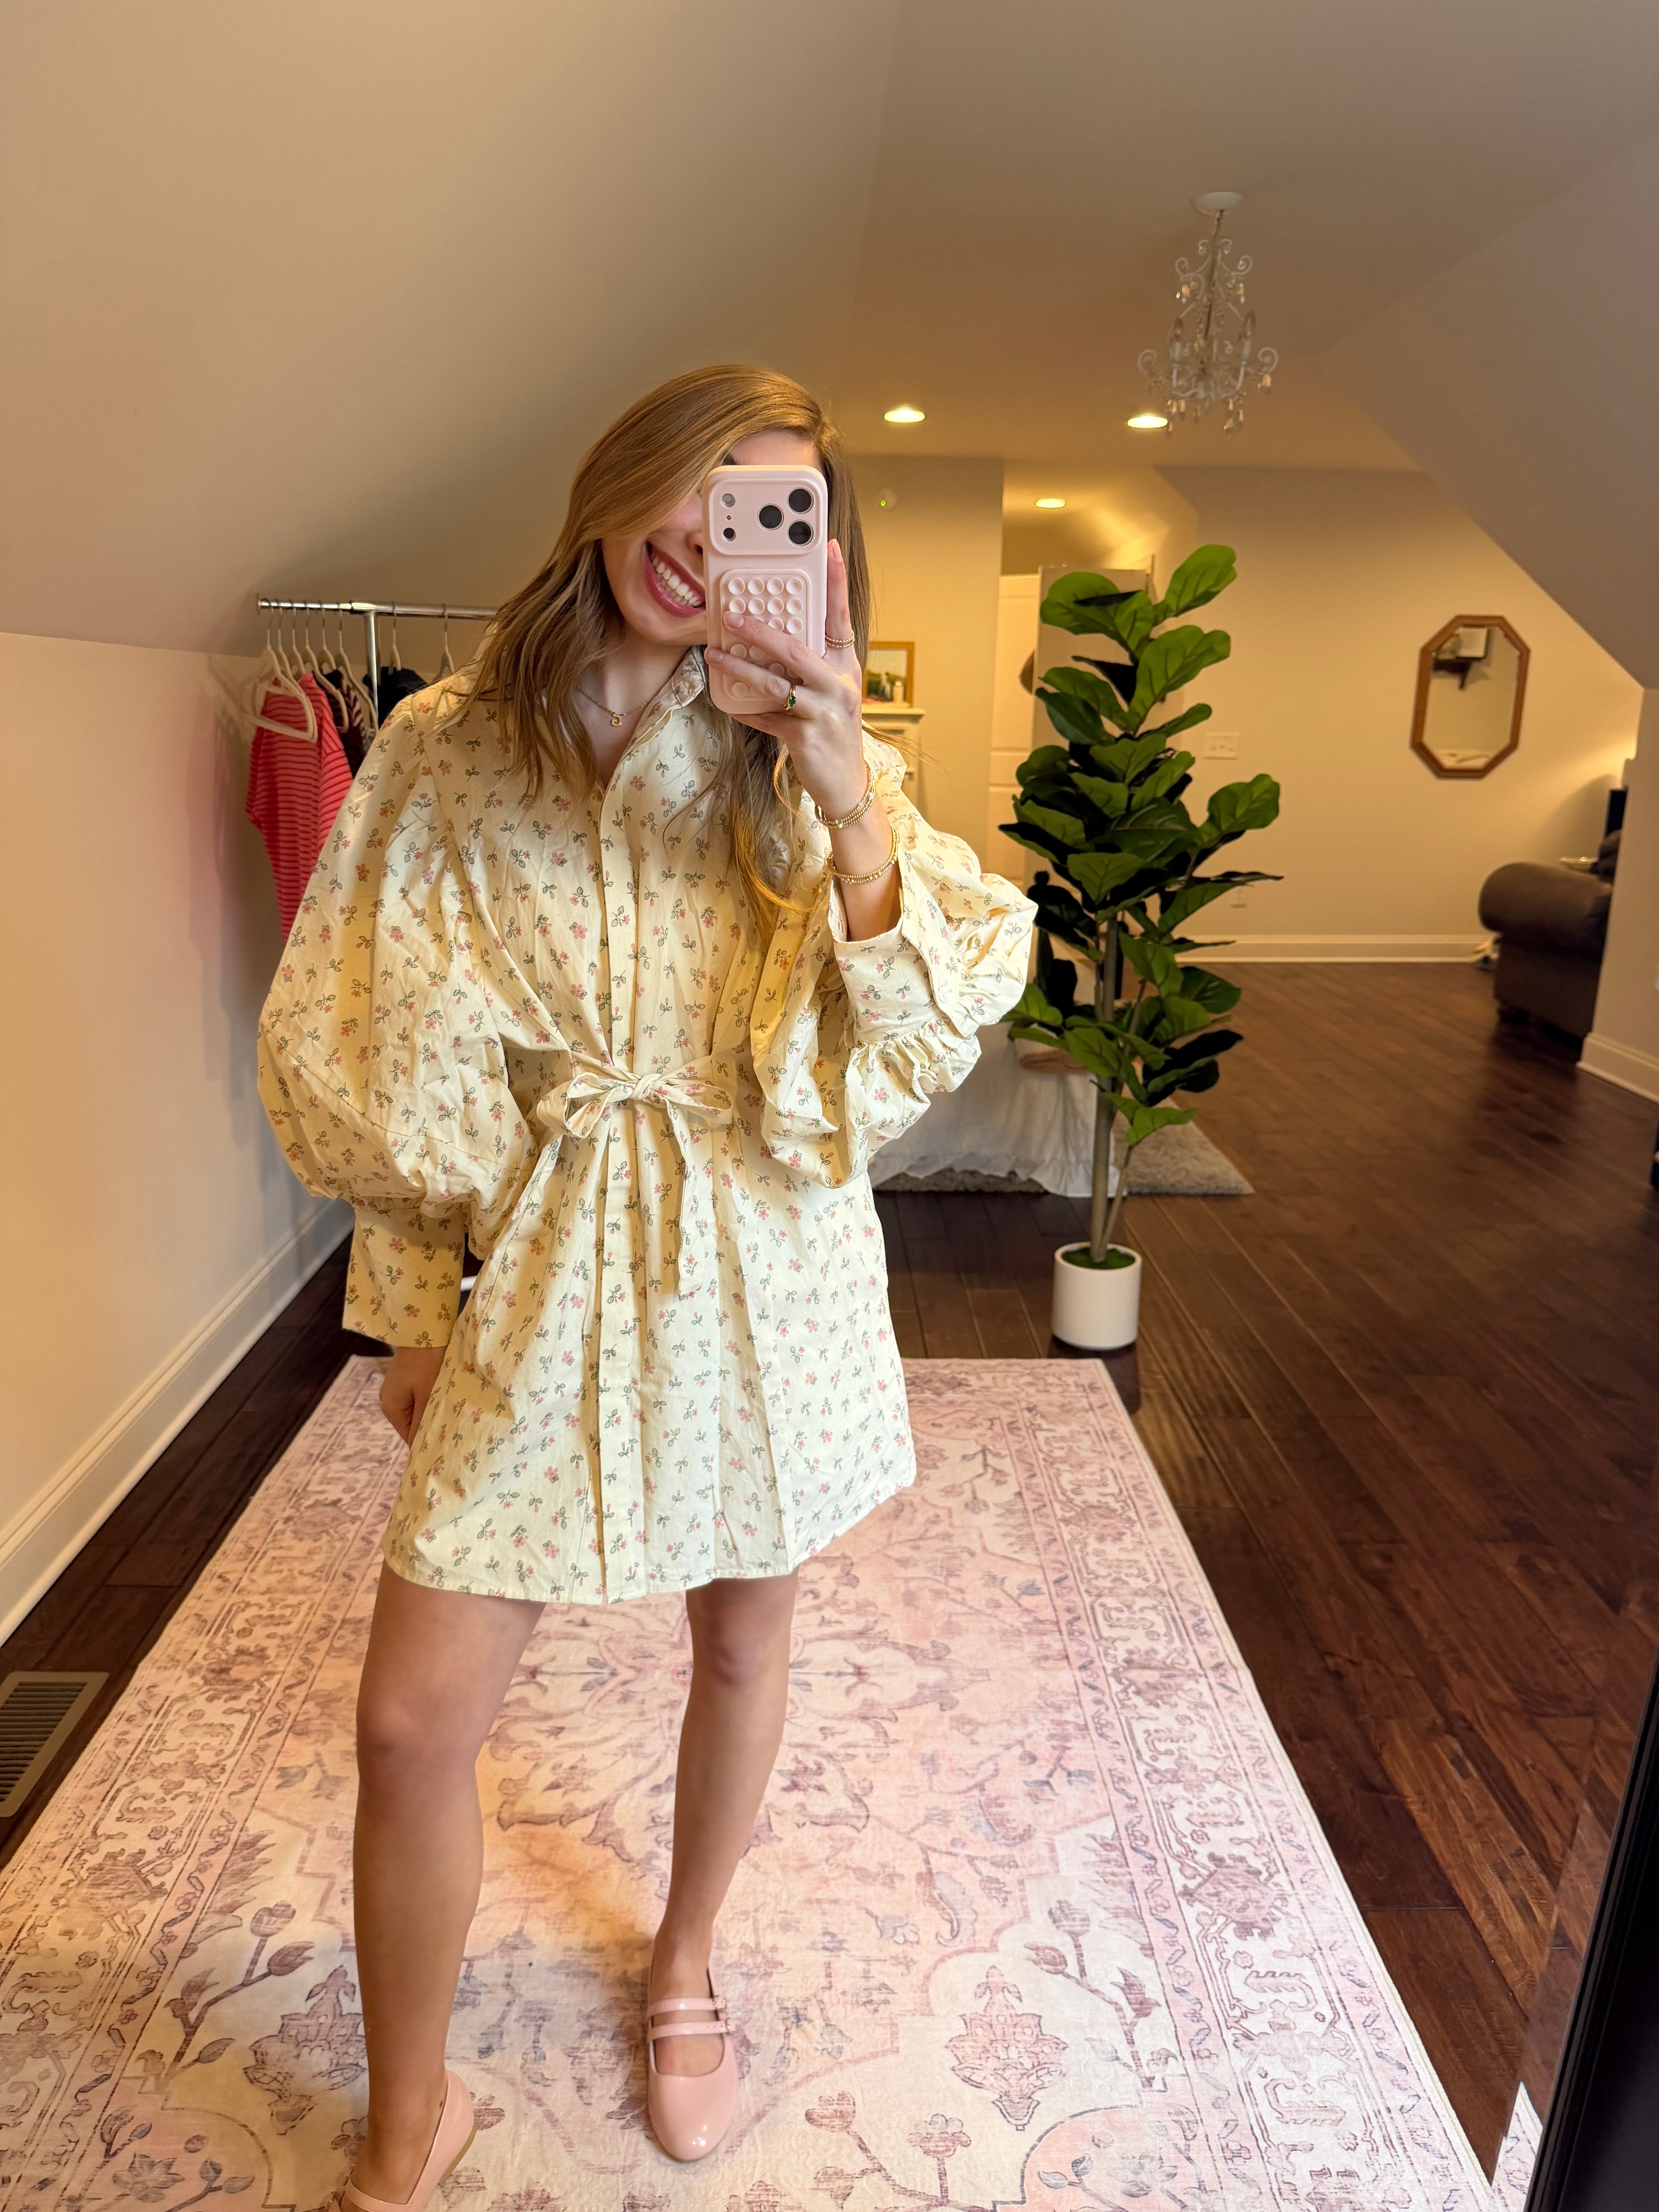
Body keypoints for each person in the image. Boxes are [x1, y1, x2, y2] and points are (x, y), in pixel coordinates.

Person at [255, 362, 1034, 2203]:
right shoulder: (445, 744)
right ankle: (408, 2111)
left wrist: (839, 772)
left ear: (817, 556)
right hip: (538, 1254)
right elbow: (396, 1039)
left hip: (767, 1250)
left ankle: (684, 1964)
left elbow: (921, 1037)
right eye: (692, 489)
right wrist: (418, 1309)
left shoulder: (807, 750)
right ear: (613, 488)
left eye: (769, 514)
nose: (707, 539)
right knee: (409, 1719)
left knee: (743, 1633)